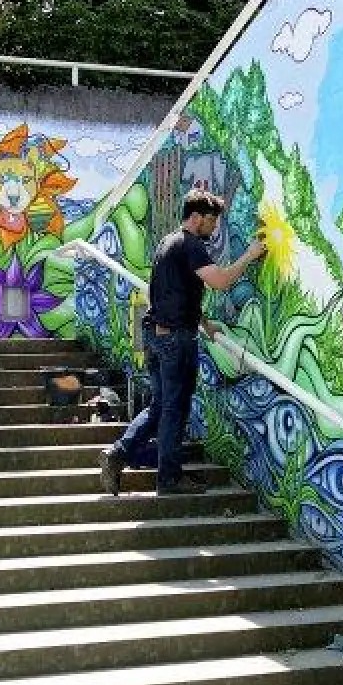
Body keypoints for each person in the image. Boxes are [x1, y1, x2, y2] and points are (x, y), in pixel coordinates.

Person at [100, 190, 265, 495]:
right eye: (212, 222)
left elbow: (172, 292)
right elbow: (220, 281)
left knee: (161, 406)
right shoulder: (191, 245)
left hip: (157, 333)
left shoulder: (167, 243)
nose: (214, 229)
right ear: (197, 217)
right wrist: (250, 255)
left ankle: (118, 454)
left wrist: (204, 323)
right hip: (175, 340)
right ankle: (168, 479)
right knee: (174, 410)